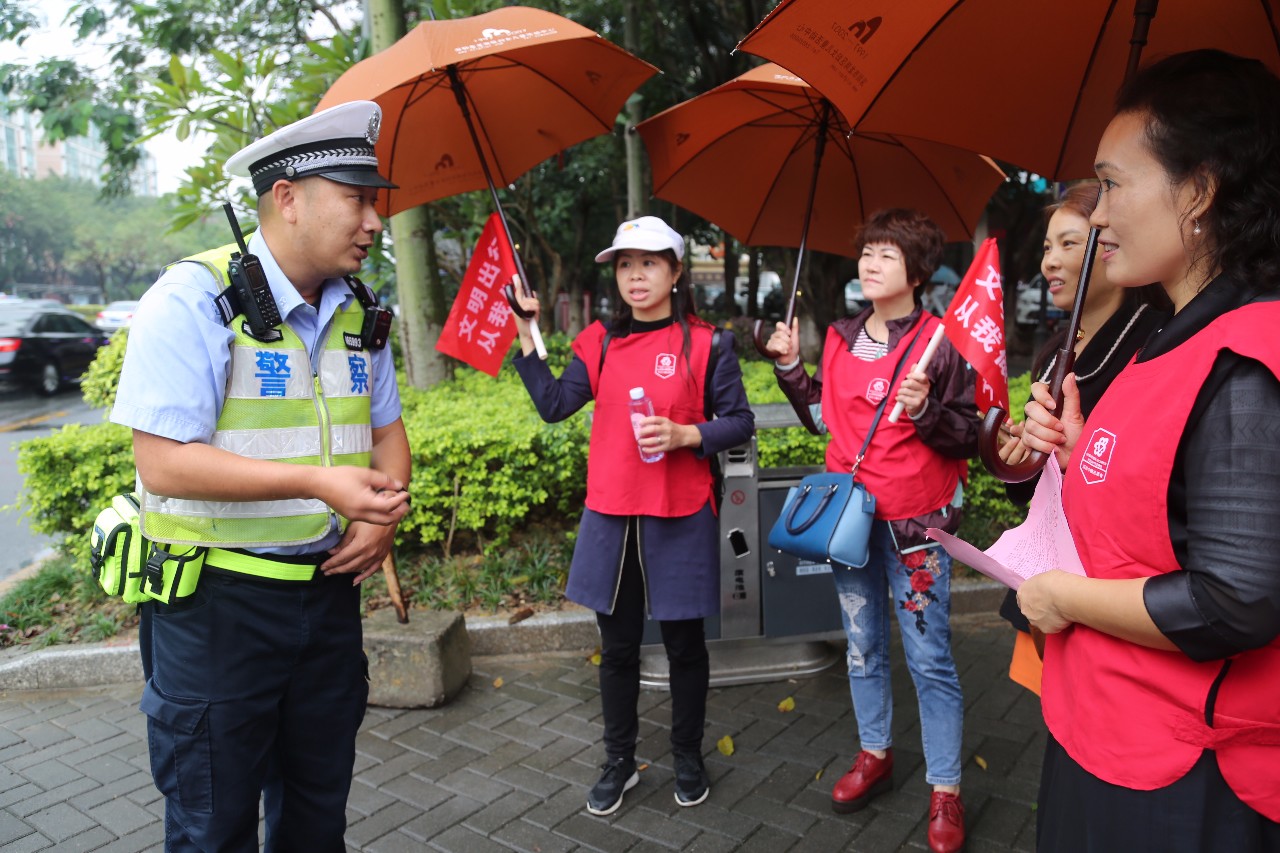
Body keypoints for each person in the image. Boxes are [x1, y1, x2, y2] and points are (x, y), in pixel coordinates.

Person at [111, 100, 412, 851]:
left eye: (375, 201)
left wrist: (380, 515)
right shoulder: (192, 300)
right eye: (357, 199)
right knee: (213, 825)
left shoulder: (361, 310)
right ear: (288, 198)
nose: (375, 221)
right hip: (218, 609)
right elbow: (163, 461)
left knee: (317, 814)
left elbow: (387, 432)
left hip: (328, 601)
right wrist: (319, 483)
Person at [1016, 49, 1280, 851]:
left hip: (1183, 779)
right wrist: (1074, 446)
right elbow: (1156, 501)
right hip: (1104, 731)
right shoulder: (1169, 335)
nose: (1096, 217)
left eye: (1114, 183)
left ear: (1199, 189)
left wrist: (1061, 597)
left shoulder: (1246, 357)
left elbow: (1236, 598)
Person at [510, 215, 754, 816]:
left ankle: (687, 755)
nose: (635, 275)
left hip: (680, 512)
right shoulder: (600, 341)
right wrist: (526, 333)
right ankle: (618, 762)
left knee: (685, 648)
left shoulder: (708, 342)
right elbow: (554, 404)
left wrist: (685, 433)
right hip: (613, 518)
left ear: (674, 272)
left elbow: (740, 421)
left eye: (648, 263)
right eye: (624, 264)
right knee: (617, 649)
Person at [766, 208, 977, 853]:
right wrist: (790, 369)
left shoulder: (943, 342)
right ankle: (875, 753)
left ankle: (945, 791)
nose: (870, 263)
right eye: (866, 253)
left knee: (929, 658)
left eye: (886, 254)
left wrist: (927, 408)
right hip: (848, 522)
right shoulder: (839, 336)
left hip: (916, 525)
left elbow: (969, 432)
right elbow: (823, 421)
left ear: (915, 271)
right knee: (861, 646)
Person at [996, 183, 1168, 695]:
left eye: (1069, 244)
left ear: (1108, 241)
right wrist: (1020, 457)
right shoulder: (1054, 351)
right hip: (1049, 579)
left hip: (1112, 591)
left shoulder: (1153, 341)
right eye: (1048, 247)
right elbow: (1033, 490)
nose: (1051, 261)